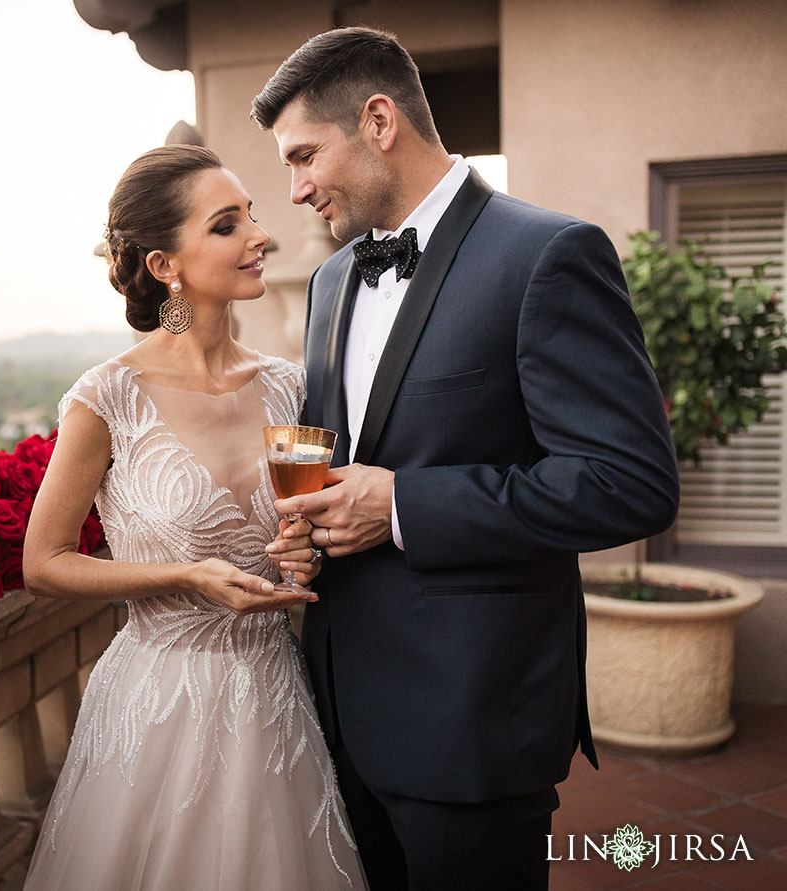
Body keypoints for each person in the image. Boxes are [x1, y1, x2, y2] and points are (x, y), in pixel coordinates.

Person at [253, 27, 679, 890]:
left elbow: (629, 482)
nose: (293, 191)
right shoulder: (333, 280)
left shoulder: (548, 254)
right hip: (336, 708)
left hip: (472, 717)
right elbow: (335, 445)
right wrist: (301, 521)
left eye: (303, 157)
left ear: (378, 121)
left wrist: (405, 504)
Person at [22, 143, 366, 889]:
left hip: (274, 698)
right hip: (157, 705)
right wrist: (186, 573)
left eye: (251, 216)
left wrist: (302, 552)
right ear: (164, 266)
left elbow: (304, 533)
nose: (258, 237)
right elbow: (42, 562)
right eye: (225, 225)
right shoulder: (105, 398)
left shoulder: (292, 388)